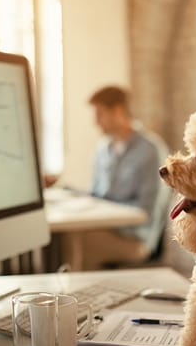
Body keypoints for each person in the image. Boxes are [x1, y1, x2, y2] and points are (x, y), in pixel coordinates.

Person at [62, 86, 169, 270]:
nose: (95, 122)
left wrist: (107, 217)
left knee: (75, 246)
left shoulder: (151, 150)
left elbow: (147, 211)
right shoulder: (102, 149)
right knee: (61, 239)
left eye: (100, 114)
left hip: (136, 238)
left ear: (118, 112)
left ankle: (78, 297)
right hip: (104, 228)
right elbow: (96, 195)